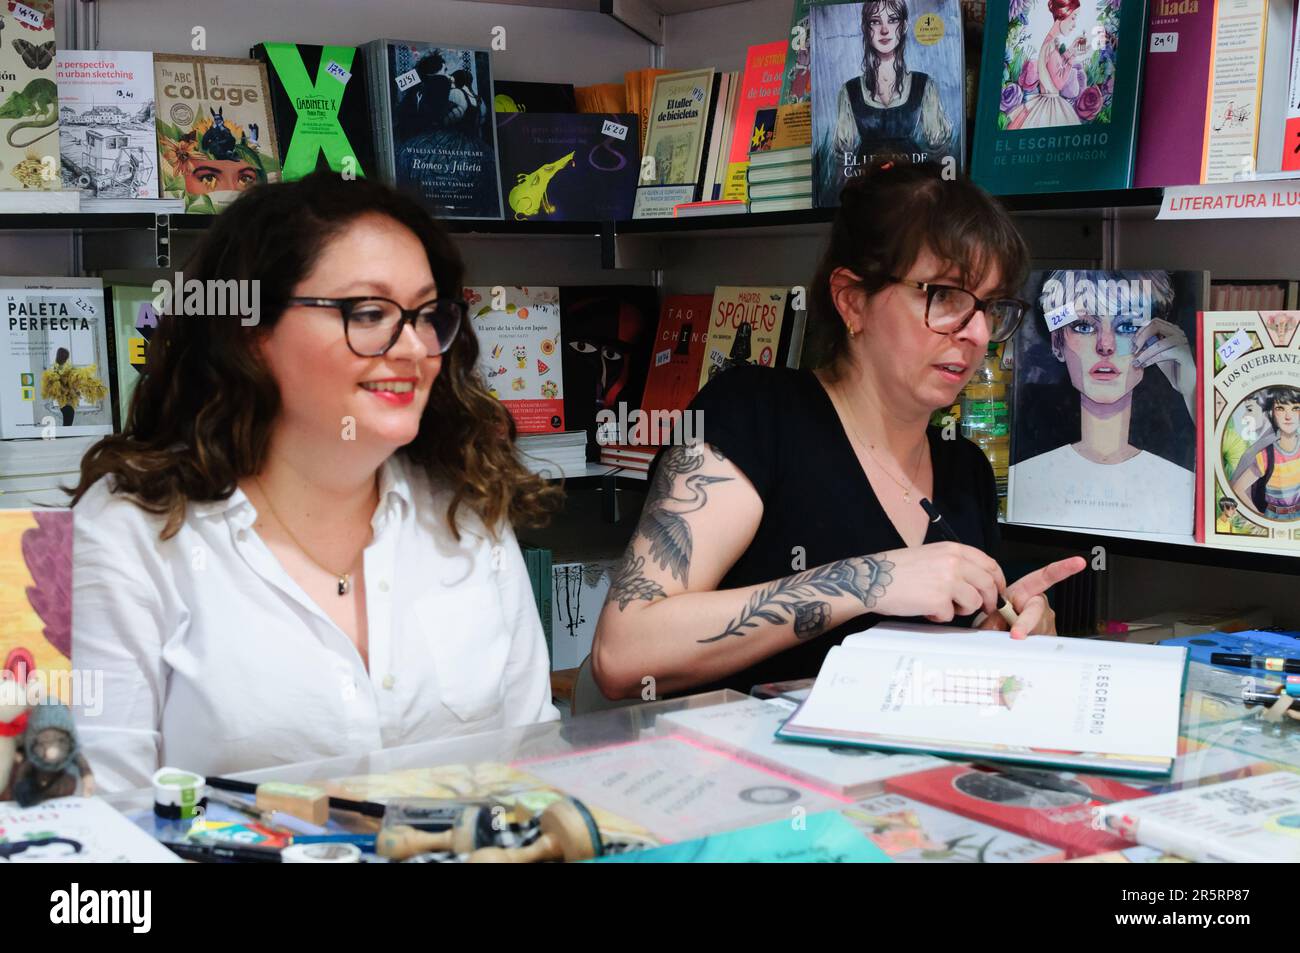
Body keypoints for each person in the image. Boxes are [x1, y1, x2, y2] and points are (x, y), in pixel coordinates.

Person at [71, 172, 560, 792]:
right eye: (369, 312)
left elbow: (534, 771)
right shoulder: (129, 534)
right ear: (250, 333)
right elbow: (101, 825)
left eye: (427, 314)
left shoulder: (465, 507)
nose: (413, 348)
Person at [592, 162, 1086, 699]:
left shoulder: (964, 469)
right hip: (743, 777)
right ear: (852, 300)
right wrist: (868, 580)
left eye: (992, 307)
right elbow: (625, 653)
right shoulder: (754, 414)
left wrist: (1015, 639)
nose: (978, 332)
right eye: (944, 296)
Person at [1008, 270, 1197, 535]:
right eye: (1084, 326)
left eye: (1128, 326)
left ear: (1156, 340)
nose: (1105, 346)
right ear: (1057, 343)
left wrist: (1193, 392)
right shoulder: (1026, 480)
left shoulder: (1183, 483)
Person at [833, 0, 954, 177]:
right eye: (875, 21)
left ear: (904, 25)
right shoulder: (849, 91)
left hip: (912, 185)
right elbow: (842, 160)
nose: (884, 30)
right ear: (865, 28)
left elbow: (941, 151)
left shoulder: (924, 84)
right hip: (867, 185)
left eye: (892, 20)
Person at [1006, 0, 1086, 130]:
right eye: (1073, 18)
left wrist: (1071, 51)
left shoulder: (1050, 43)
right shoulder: (1050, 47)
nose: (1074, 25)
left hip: (1047, 99)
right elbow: (1059, 84)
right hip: (1050, 102)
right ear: (1062, 14)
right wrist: (1071, 60)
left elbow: (1054, 66)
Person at [1231, 386, 1300, 521]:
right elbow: (1238, 488)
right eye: (1280, 408)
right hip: (1273, 516)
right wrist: (1258, 518)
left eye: (1295, 408)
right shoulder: (1266, 454)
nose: (1288, 416)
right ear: (1271, 413)